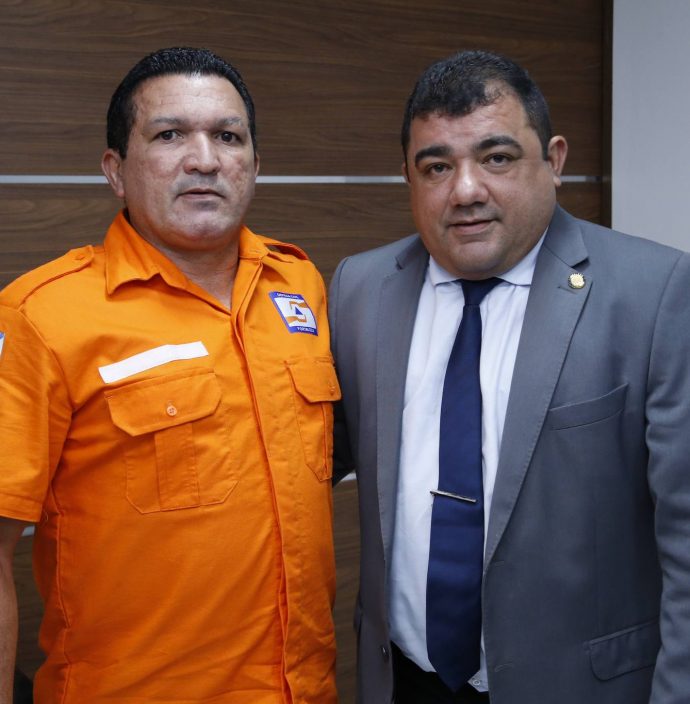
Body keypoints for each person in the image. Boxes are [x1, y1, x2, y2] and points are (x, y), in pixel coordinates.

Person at [329, 50, 690, 704]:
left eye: (496, 158)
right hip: (403, 678)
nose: (465, 190)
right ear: (408, 177)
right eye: (436, 167)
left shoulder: (654, 294)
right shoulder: (361, 287)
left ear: (554, 160)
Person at [0, 47, 340, 704]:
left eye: (228, 137)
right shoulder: (41, 316)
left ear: (255, 166)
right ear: (116, 171)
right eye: (169, 135)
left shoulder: (298, 284)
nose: (204, 159)